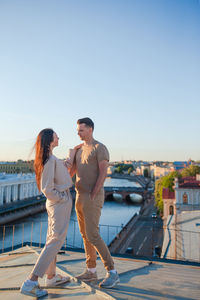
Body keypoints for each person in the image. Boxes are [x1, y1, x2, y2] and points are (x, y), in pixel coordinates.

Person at [20, 128, 79, 298]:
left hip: (59, 203)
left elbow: (66, 167)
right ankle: (31, 281)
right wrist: (62, 198)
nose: (59, 136)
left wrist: (72, 152)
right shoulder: (48, 160)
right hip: (59, 203)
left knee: (53, 240)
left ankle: (51, 278)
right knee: (55, 241)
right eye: (56, 135)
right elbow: (47, 188)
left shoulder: (51, 159)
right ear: (49, 139)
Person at [72, 117, 120, 288]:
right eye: (77, 130)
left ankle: (112, 272)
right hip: (79, 196)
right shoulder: (78, 150)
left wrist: (93, 193)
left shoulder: (100, 148)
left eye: (81, 130)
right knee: (85, 234)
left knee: (92, 234)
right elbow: (71, 171)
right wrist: (71, 155)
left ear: (90, 129)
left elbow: (103, 173)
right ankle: (91, 270)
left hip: (92, 197)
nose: (78, 133)